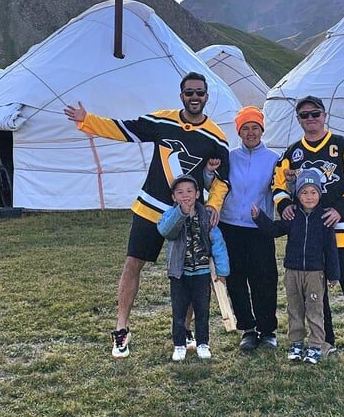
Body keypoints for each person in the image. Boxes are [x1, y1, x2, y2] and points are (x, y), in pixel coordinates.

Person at [64, 72, 231, 358]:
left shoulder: (216, 137)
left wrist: (214, 204)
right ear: (181, 96)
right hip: (150, 207)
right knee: (132, 264)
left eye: (199, 93)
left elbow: (222, 180)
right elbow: (125, 129)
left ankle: (186, 329)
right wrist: (86, 119)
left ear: (207, 97)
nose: (194, 98)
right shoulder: (163, 121)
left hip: (189, 214)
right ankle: (121, 329)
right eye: (189, 93)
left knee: (190, 271)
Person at [272, 95, 344, 359]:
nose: (310, 119)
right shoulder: (292, 153)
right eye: (304, 115)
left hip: (342, 232)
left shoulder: (343, 146)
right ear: (298, 119)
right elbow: (277, 185)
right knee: (316, 294)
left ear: (325, 116)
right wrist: (284, 206)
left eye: (315, 113)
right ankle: (325, 343)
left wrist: (340, 209)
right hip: (310, 237)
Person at [251, 168, 339, 365]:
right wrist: (259, 218)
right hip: (292, 271)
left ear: (319, 193)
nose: (309, 197)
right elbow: (273, 230)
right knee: (295, 309)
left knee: (315, 310)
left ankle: (316, 345)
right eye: (304, 192)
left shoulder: (325, 219)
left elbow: (331, 249)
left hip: (315, 273)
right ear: (297, 195)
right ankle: (296, 343)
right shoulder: (292, 217)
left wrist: (334, 275)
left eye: (313, 192)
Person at [216, 106, 281, 352]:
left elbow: (280, 189)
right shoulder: (229, 157)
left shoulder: (274, 159)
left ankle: (268, 330)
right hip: (230, 225)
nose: (251, 132)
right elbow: (215, 184)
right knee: (236, 279)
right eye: (246, 128)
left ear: (262, 130)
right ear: (239, 132)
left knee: (263, 279)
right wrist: (209, 172)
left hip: (258, 227)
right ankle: (248, 329)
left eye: (255, 127)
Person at [158, 175, 229, 361]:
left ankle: (203, 343)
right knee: (179, 311)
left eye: (190, 191)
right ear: (174, 197)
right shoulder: (170, 215)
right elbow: (166, 231)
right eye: (180, 192)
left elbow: (218, 244)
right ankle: (179, 344)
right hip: (179, 274)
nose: (185, 195)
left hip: (202, 272)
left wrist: (222, 271)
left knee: (202, 311)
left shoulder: (206, 217)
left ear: (197, 194)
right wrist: (181, 212)